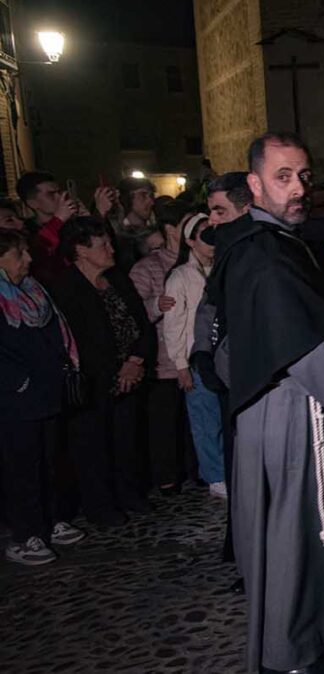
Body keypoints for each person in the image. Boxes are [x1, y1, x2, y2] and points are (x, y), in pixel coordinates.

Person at [205, 131, 324, 673]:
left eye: (304, 176)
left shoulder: (249, 243)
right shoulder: (268, 257)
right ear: (254, 184)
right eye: (283, 177)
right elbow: (313, 353)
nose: (299, 188)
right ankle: (292, 656)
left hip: (263, 404)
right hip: (292, 406)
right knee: (295, 536)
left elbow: (226, 347)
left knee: (284, 535)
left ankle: (299, 646)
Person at [49, 217, 155, 528]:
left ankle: (129, 492)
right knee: (93, 446)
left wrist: (135, 361)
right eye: (102, 244)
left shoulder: (118, 280)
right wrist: (116, 370)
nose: (111, 249)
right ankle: (100, 504)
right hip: (93, 383)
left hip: (130, 376)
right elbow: (79, 341)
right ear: (81, 250)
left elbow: (141, 323)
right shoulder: (66, 289)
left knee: (127, 440)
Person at [0, 229, 87, 565]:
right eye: (19, 253)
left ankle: (50, 520)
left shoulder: (34, 290)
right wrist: (19, 382)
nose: (28, 259)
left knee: (50, 461)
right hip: (15, 400)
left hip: (47, 392)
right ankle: (26, 534)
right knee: (22, 467)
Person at [163, 212, 225, 498]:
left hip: (222, 355)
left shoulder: (221, 268)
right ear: (190, 241)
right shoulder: (181, 276)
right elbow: (174, 324)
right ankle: (215, 475)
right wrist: (180, 364)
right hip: (196, 357)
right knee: (205, 420)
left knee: (222, 417)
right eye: (204, 234)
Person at [129, 202, 189, 496]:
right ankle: (166, 476)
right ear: (170, 230)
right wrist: (157, 305)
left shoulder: (200, 261)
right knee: (164, 422)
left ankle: (195, 470)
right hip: (162, 361)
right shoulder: (147, 267)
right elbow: (132, 312)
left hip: (193, 357)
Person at [18, 171, 79, 281]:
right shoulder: (26, 232)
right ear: (32, 203)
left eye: (59, 192)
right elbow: (38, 254)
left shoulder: (70, 224)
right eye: (51, 194)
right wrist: (58, 220)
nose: (59, 197)